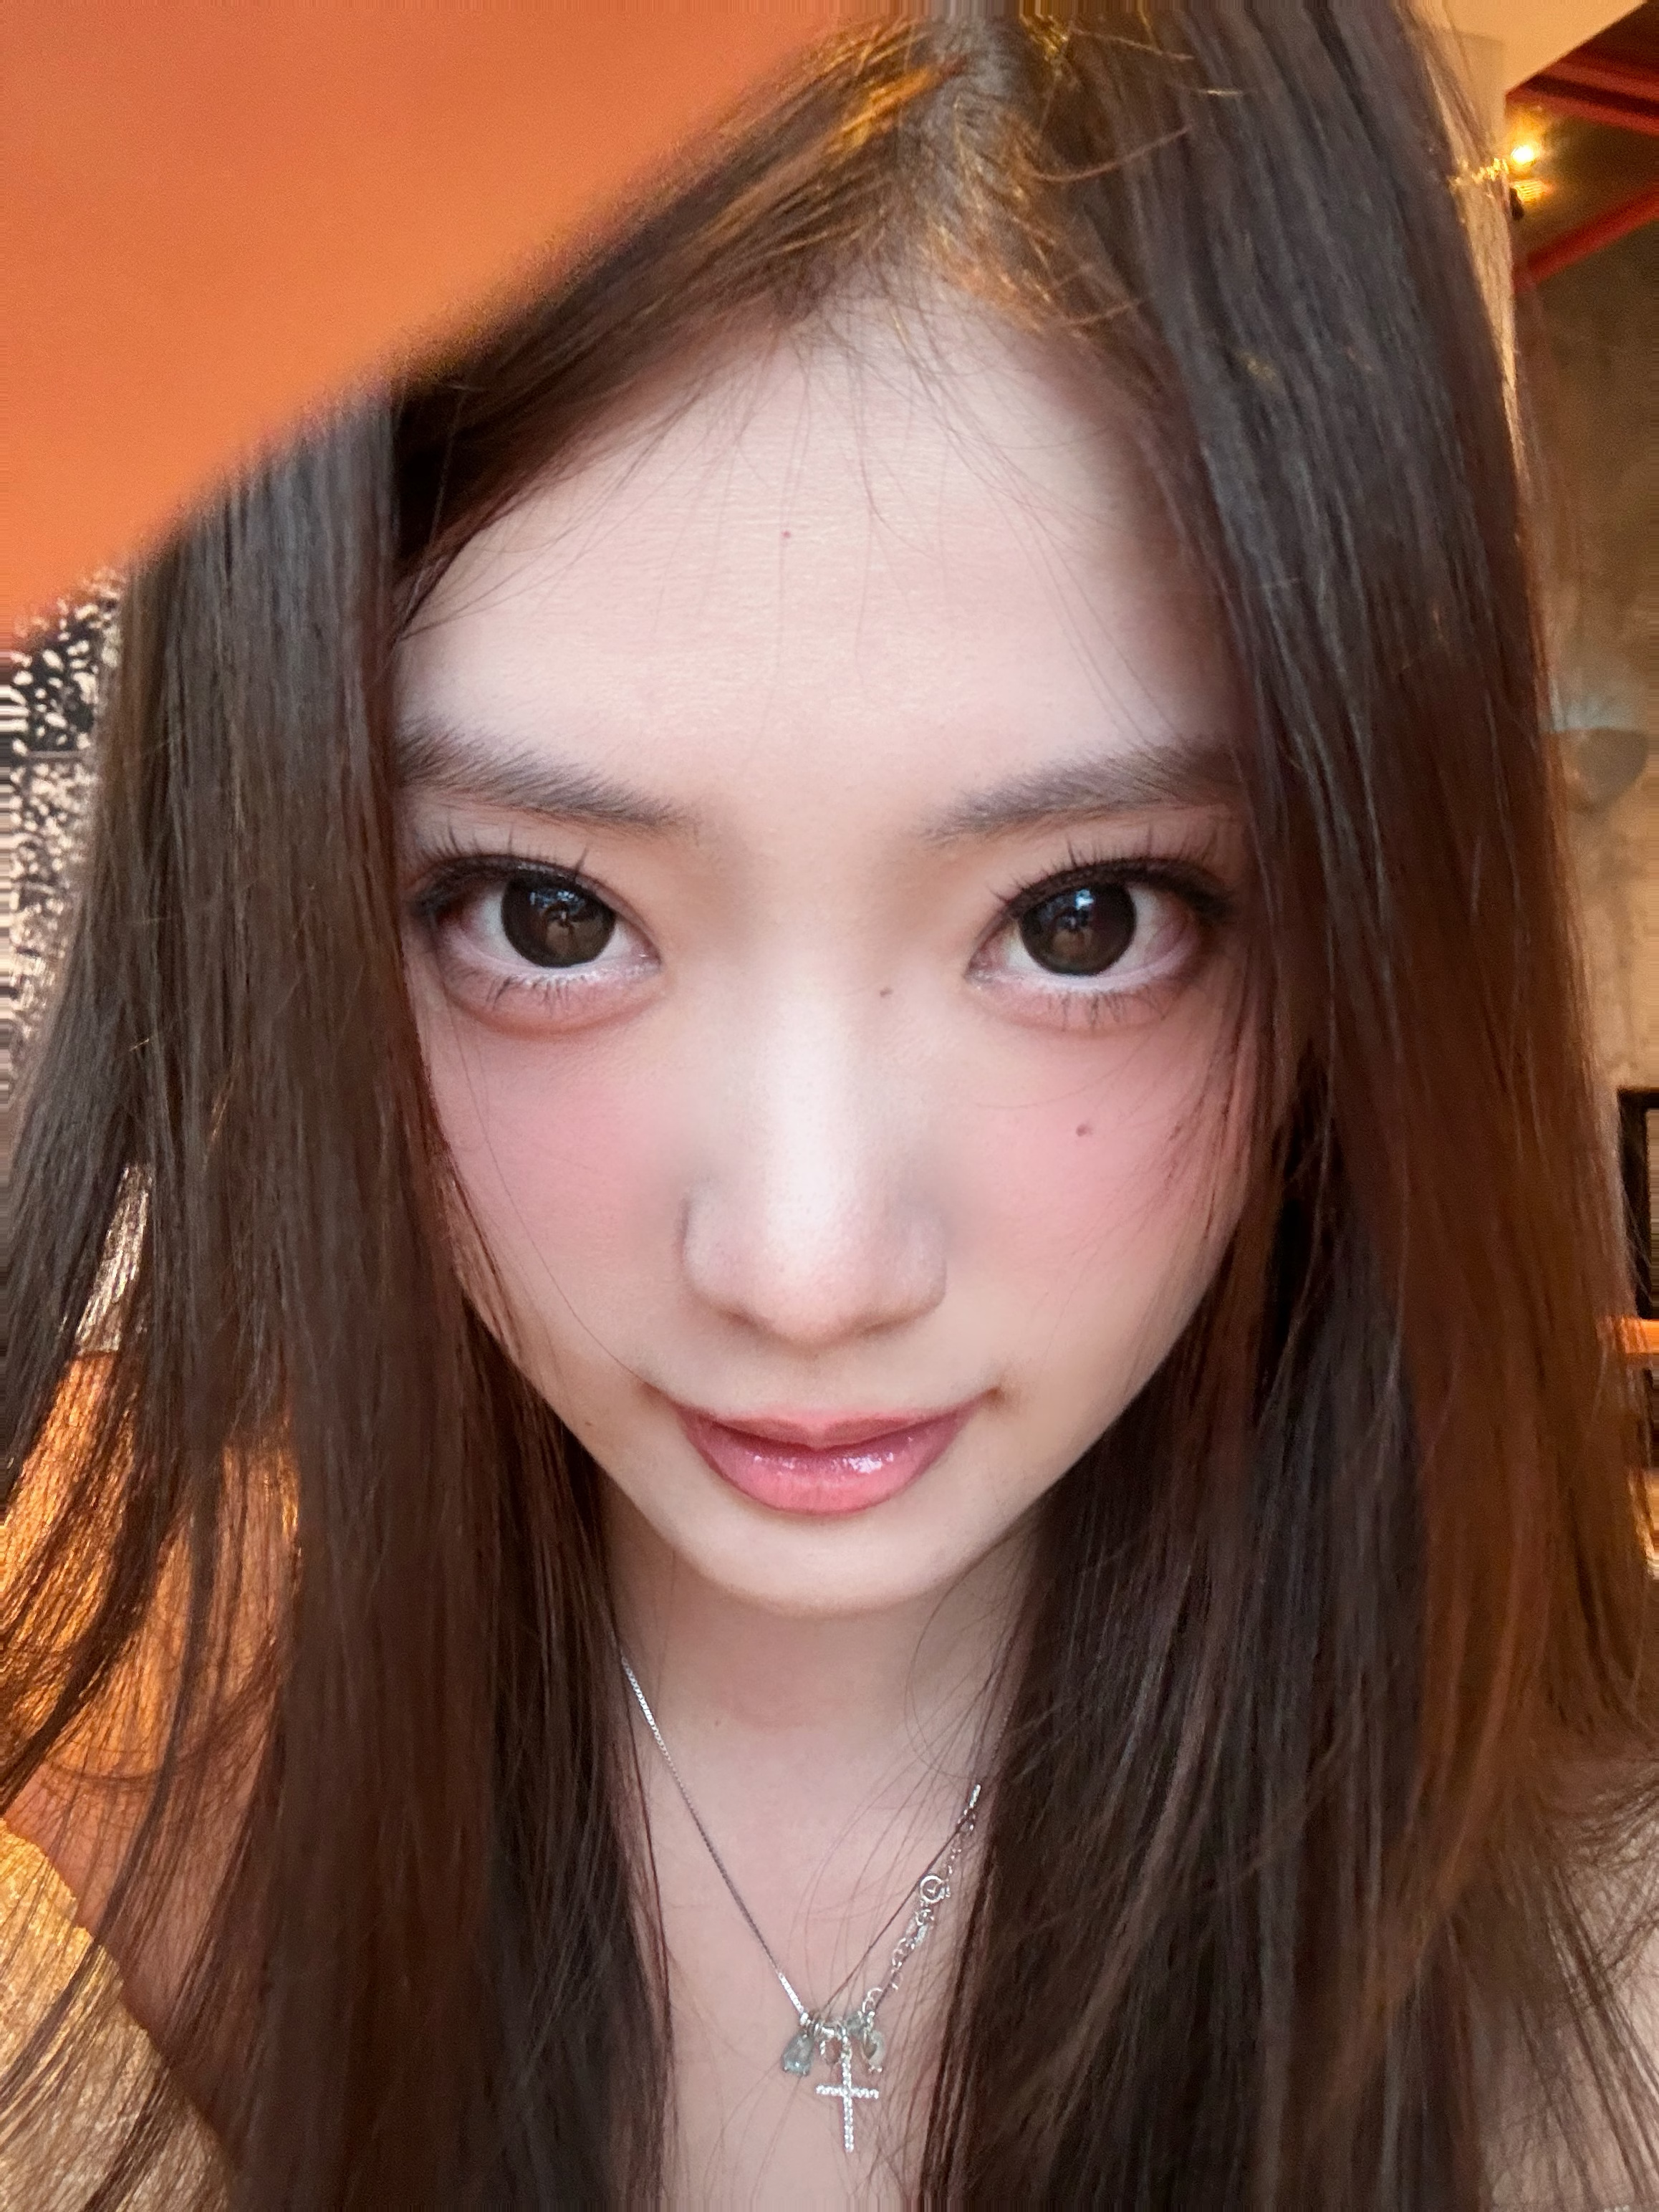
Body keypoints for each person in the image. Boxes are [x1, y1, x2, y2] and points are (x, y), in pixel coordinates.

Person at [4, 9, 1655, 2205]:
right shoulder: (79, 1939)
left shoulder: (1608, 1982)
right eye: (547, 915)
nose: (802, 1271)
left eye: (1081, 920)